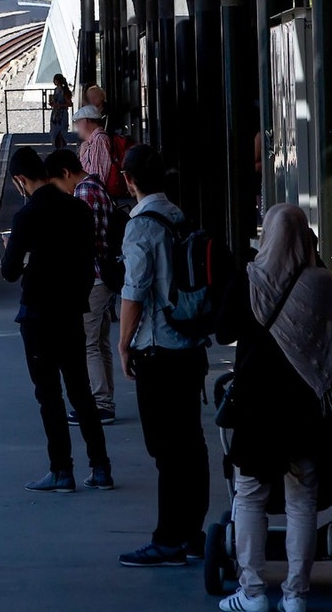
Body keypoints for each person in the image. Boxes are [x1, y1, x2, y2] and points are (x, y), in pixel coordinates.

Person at [215, 203, 332, 612]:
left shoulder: (250, 281)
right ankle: (296, 595)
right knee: (302, 500)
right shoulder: (323, 283)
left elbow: (222, 332)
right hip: (306, 405)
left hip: (257, 404)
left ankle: (253, 592)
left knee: (250, 496)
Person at [116, 143, 209, 568]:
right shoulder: (177, 215)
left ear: (129, 180)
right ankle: (191, 532)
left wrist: (123, 342)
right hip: (189, 348)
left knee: (166, 450)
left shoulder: (141, 227)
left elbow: (135, 291)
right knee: (190, 445)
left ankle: (168, 539)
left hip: (158, 351)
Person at [1, 146, 113, 492]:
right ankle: (101, 469)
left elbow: (9, 272)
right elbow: (88, 258)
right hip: (71, 313)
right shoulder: (79, 209)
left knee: (49, 396)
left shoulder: (26, 216)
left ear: (20, 180)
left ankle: (61, 470)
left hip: (38, 317)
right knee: (81, 392)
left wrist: (23, 255)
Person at [47, 148, 116, 424]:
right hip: (103, 276)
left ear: (65, 173)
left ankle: (101, 404)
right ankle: (106, 399)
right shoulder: (97, 186)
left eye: (58, 185)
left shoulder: (83, 193)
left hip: (94, 278)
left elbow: (81, 240)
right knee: (100, 342)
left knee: (88, 343)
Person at [74, 104, 111, 184]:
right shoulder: (93, 141)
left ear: (85, 121)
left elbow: (98, 177)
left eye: (77, 122)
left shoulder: (99, 140)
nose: (76, 126)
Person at [49, 74, 73, 150]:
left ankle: (61, 147)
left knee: (61, 131)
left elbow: (70, 104)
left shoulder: (64, 91)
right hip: (56, 113)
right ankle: (57, 147)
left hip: (61, 114)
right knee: (55, 131)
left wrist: (59, 105)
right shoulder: (56, 90)